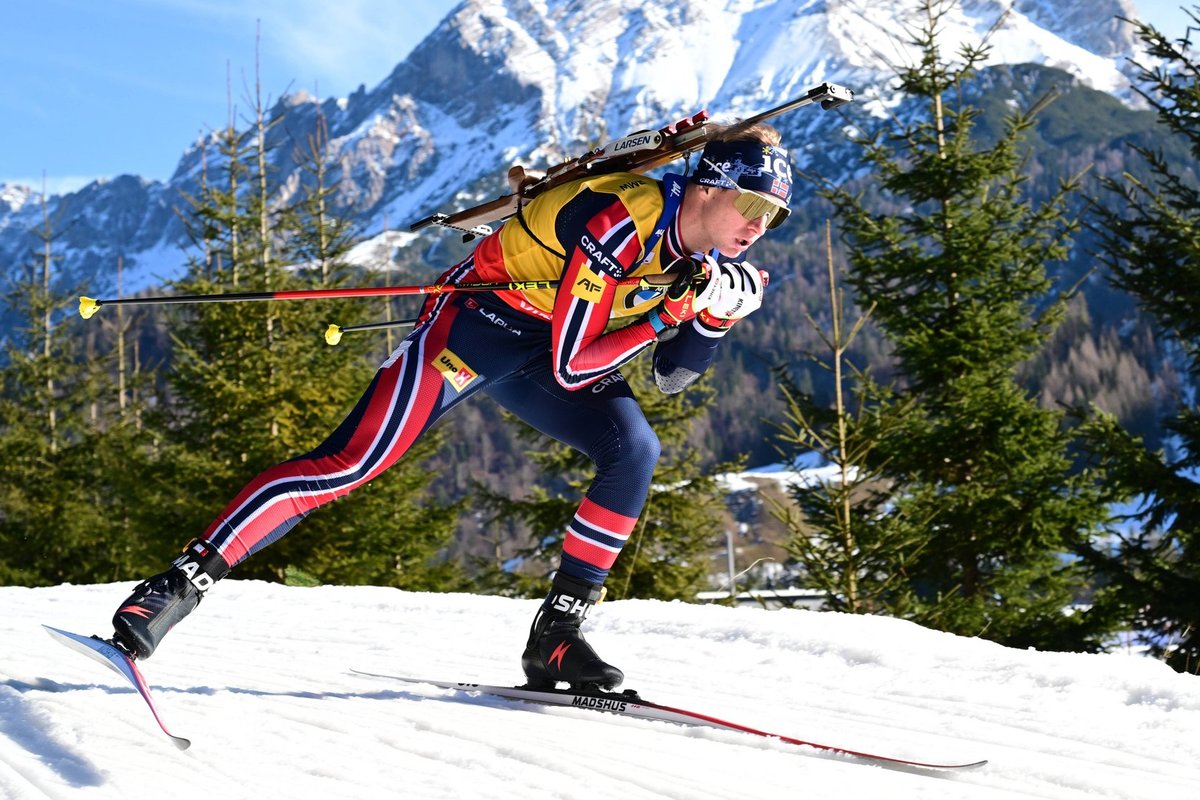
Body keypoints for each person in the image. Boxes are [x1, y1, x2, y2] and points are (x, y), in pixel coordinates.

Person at [110, 120, 795, 691]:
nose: (760, 227)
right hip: (478, 327)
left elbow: (672, 377)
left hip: (557, 343)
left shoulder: (713, 262)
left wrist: (712, 319)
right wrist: (669, 313)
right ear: (710, 187)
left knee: (635, 449)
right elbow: (571, 362)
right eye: (755, 207)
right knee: (353, 462)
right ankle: (174, 586)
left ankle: (557, 636)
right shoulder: (622, 221)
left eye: (776, 217)